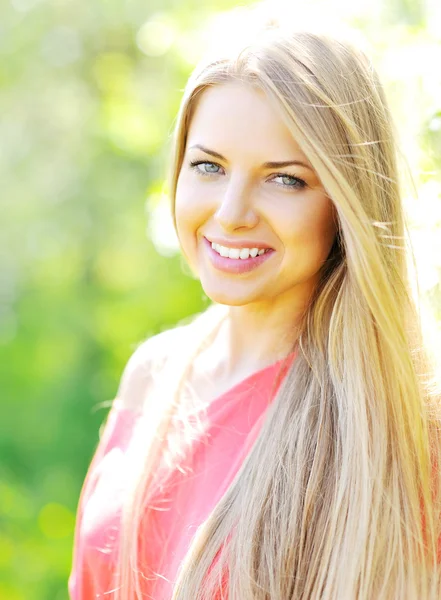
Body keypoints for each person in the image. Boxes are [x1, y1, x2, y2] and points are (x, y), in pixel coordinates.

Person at [68, 3, 441, 599]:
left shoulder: (403, 429)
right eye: (208, 166)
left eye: (284, 178)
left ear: (346, 202)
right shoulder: (153, 376)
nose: (232, 214)